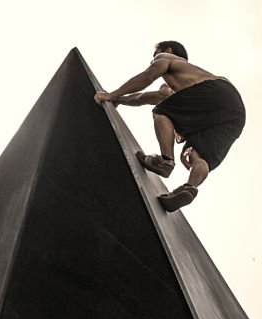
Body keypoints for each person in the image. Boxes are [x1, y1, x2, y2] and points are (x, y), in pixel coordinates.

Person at [94, 41, 245, 212]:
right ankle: (190, 187)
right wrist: (118, 99)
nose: (152, 61)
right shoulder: (183, 90)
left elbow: (147, 77)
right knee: (198, 156)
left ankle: (166, 162)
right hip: (236, 113)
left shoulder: (167, 58)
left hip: (218, 91)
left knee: (162, 112)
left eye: (154, 56)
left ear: (168, 50)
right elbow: (142, 98)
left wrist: (111, 94)